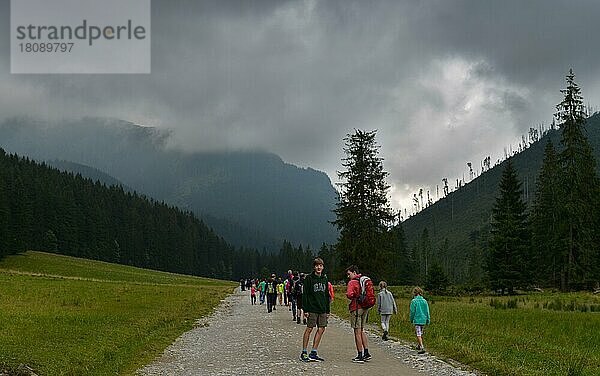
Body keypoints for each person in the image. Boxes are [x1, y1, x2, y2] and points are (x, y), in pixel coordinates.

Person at [299, 258, 330, 362]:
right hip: (312, 308)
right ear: (314, 267)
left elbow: (326, 295)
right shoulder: (309, 279)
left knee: (322, 329)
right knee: (309, 328)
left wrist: (328, 310)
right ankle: (304, 352)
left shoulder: (324, 279)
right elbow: (305, 295)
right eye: (317, 265)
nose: (319, 267)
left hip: (322, 309)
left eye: (320, 265)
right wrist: (305, 310)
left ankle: (314, 351)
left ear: (323, 267)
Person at [346, 265, 371, 363]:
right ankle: (366, 352)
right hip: (365, 307)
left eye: (349, 274)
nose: (348, 276)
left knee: (357, 332)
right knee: (362, 330)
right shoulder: (363, 280)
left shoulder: (352, 282)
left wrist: (350, 295)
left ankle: (360, 355)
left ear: (354, 272)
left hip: (356, 308)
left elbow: (349, 294)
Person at [410, 286, 430, 354]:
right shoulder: (424, 301)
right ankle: (419, 345)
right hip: (423, 319)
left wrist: (411, 319)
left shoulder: (414, 301)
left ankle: (422, 347)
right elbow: (427, 311)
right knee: (421, 333)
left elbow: (412, 312)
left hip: (417, 319)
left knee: (418, 334)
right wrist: (428, 319)